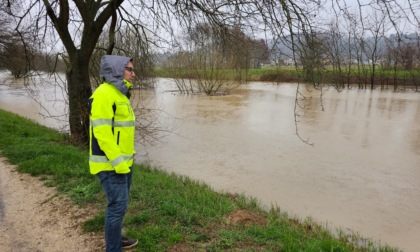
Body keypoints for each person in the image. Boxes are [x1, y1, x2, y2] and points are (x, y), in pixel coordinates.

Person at [88, 55, 138, 251]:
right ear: (116, 71)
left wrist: (129, 156)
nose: (134, 73)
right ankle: (113, 248)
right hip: (111, 165)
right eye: (129, 69)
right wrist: (119, 164)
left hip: (123, 163)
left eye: (133, 70)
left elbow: (122, 130)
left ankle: (116, 239)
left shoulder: (119, 93)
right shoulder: (104, 94)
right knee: (116, 207)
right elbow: (103, 133)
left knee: (120, 206)